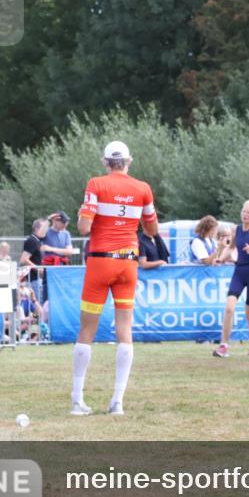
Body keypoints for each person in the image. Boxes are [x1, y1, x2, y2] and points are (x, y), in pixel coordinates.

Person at [70, 141, 158, 416]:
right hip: (127, 264)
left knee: (87, 330)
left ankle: (77, 400)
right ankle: (117, 401)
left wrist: (85, 218)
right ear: (129, 161)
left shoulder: (96, 184)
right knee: (125, 329)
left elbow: (84, 228)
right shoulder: (143, 188)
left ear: (105, 162)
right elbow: (152, 228)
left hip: (100, 261)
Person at [213, 200, 249, 358]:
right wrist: (221, 259)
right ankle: (223, 346)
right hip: (239, 272)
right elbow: (232, 247)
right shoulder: (236, 230)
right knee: (229, 308)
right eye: (244, 211)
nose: (245, 214)